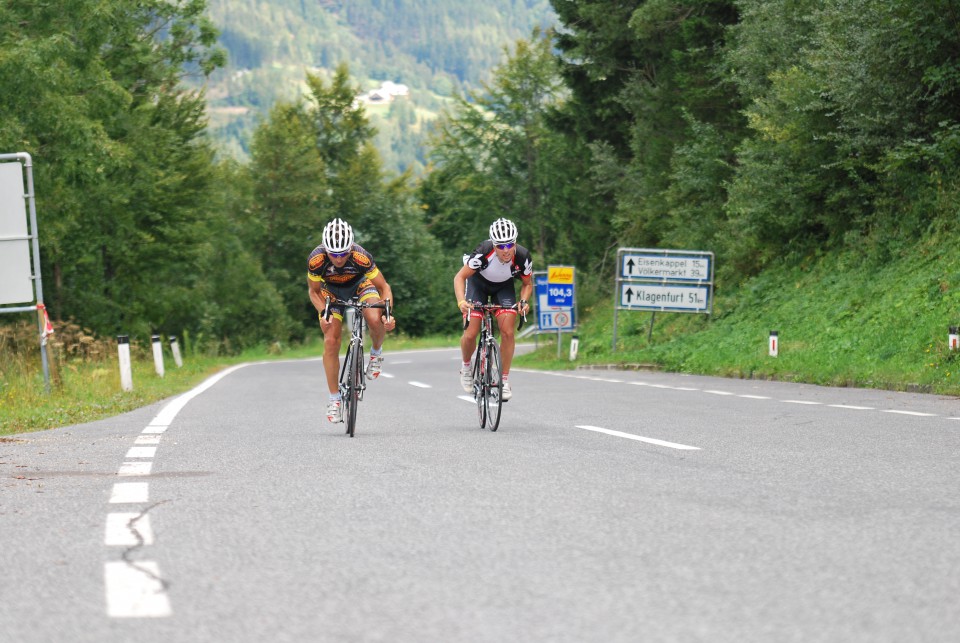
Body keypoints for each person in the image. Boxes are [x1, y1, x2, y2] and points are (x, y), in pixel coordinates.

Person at [308, 218, 396, 423]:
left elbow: (384, 288)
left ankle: (376, 353)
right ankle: (334, 399)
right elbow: (313, 292)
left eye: (343, 253)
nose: (338, 259)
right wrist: (323, 313)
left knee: (375, 318)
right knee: (331, 340)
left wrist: (388, 314)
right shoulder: (316, 259)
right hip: (330, 291)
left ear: (351, 248)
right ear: (326, 250)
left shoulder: (361, 256)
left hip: (360, 286)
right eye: (334, 254)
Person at [453, 217, 533, 401]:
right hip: (477, 286)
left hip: (503, 288)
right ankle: (466, 366)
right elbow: (459, 277)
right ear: (493, 245)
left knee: (507, 332)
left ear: (515, 242)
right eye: (501, 246)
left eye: (509, 245)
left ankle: (503, 380)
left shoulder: (522, 256)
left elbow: (527, 284)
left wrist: (523, 301)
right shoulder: (483, 252)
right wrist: (461, 302)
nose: (506, 250)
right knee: (471, 332)